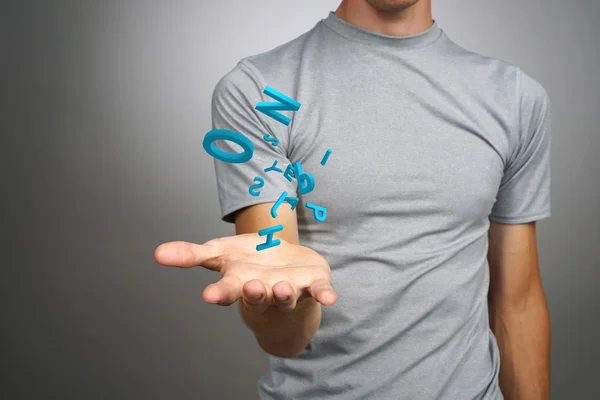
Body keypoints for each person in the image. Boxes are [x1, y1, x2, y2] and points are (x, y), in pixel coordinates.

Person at [154, 0, 552, 398]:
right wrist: (282, 301)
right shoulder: (259, 90)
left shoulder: (514, 97)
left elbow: (517, 302)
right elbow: (284, 337)